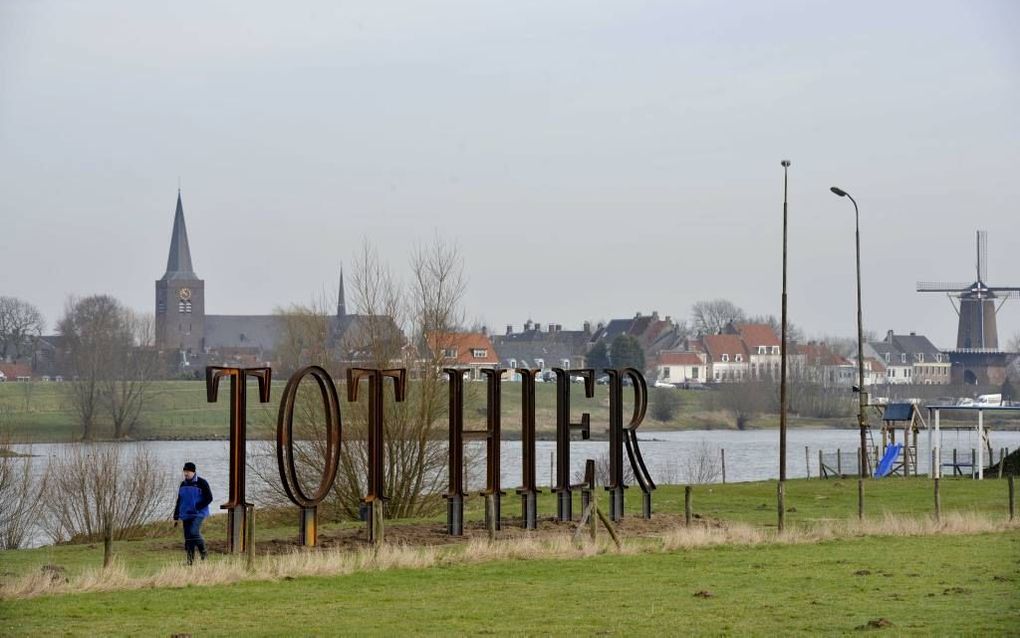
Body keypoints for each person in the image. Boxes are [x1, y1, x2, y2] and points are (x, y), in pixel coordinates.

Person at [173, 461, 213, 565]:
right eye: (184, 471)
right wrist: (176, 516)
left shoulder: (202, 483)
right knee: (188, 538)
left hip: (199, 513)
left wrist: (197, 506)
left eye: (188, 471)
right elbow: (179, 500)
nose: (186, 474)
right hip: (186, 514)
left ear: (193, 472)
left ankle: (204, 553)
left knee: (194, 532)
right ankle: (190, 562)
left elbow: (209, 498)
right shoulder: (183, 484)